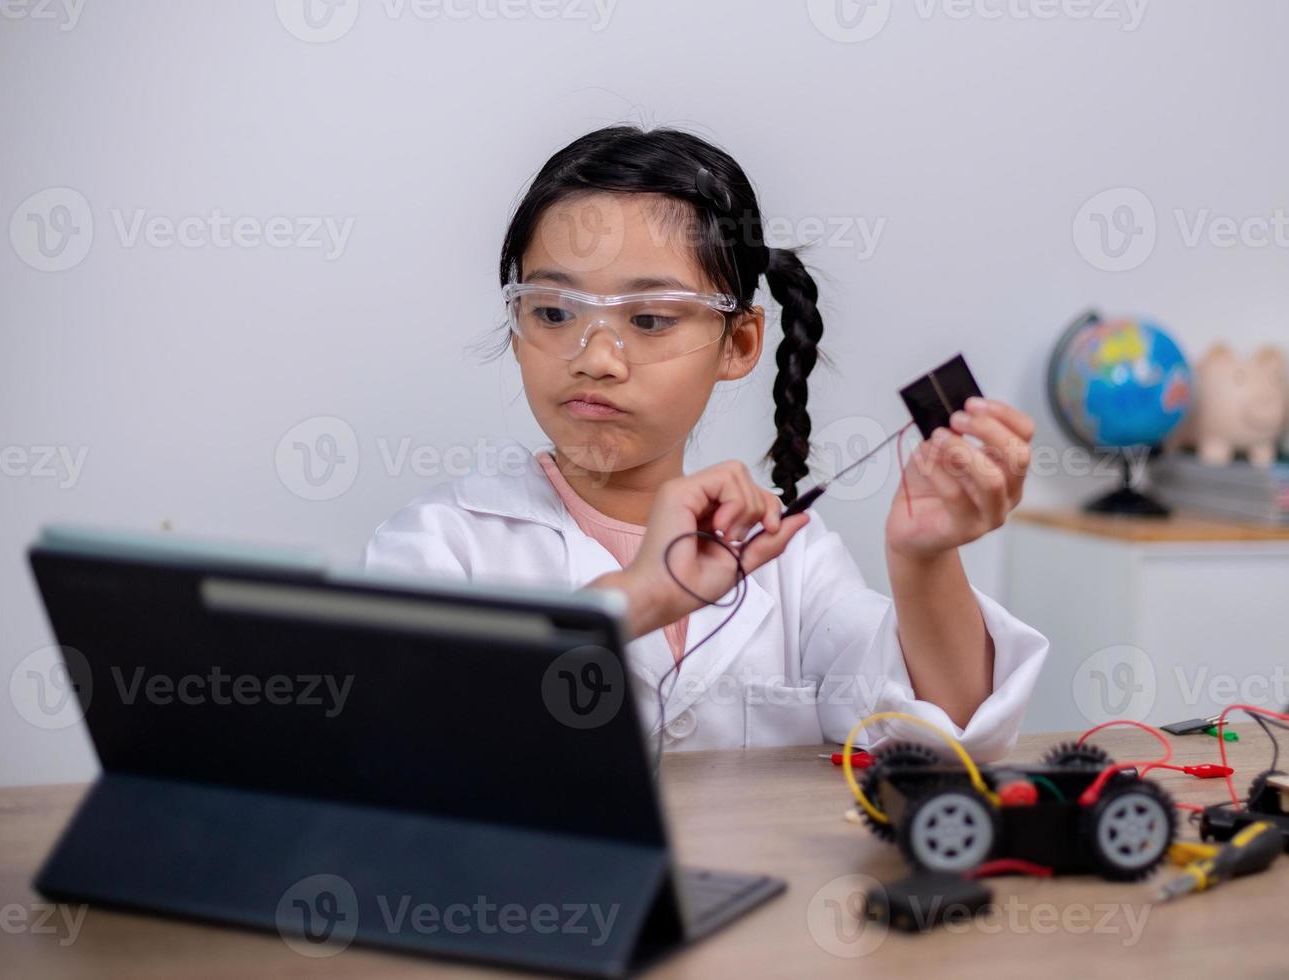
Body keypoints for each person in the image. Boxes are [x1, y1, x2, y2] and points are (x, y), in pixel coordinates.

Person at [364, 126, 1048, 759]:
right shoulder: (441, 545)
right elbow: (402, 748)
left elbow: (939, 738)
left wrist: (923, 560)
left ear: (740, 342)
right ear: (516, 324)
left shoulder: (794, 563)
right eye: (553, 311)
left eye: (651, 318)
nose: (595, 357)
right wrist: (638, 600)